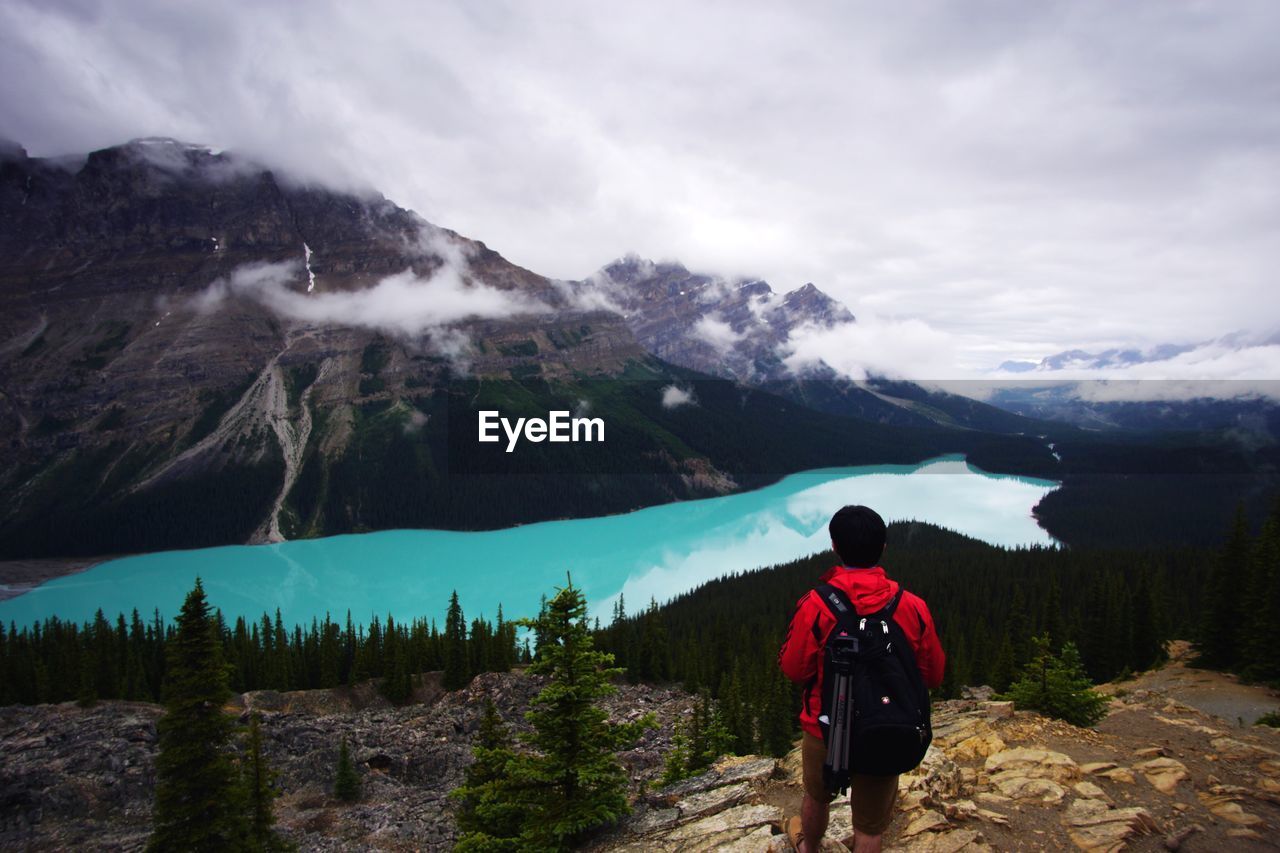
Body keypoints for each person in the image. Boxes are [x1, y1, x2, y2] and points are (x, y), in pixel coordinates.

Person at [778, 505, 945, 853]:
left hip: (823, 725)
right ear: (883, 548)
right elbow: (933, 675)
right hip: (886, 726)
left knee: (816, 797)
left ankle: (809, 848)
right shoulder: (912, 607)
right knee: (869, 827)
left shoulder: (817, 604)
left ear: (835, 547)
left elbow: (794, 669)